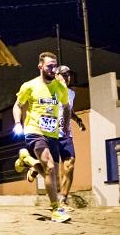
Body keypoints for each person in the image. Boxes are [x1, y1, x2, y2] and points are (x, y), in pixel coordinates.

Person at [12, 52, 71, 223]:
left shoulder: (60, 88)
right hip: (34, 130)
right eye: (49, 66)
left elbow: (66, 107)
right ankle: (56, 210)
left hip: (52, 134)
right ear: (40, 67)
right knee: (50, 167)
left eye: (55, 66)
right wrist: (17, 122)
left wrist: (66, 126)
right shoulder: (29, 86)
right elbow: (18, 105)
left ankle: (27, 161)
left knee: (50, 172)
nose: (53, 69)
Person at [55, 65, 86, 211]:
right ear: (56, 76)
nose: (67, 77)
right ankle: (32, 166)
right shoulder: (49, 91)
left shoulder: (71, 94)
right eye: (64, 74)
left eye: (69, 74)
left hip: (66, 135)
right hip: (50, 134)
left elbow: (68, 110)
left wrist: (77, 119)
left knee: (70, 164)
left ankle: (63, 200)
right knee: (48, 166)